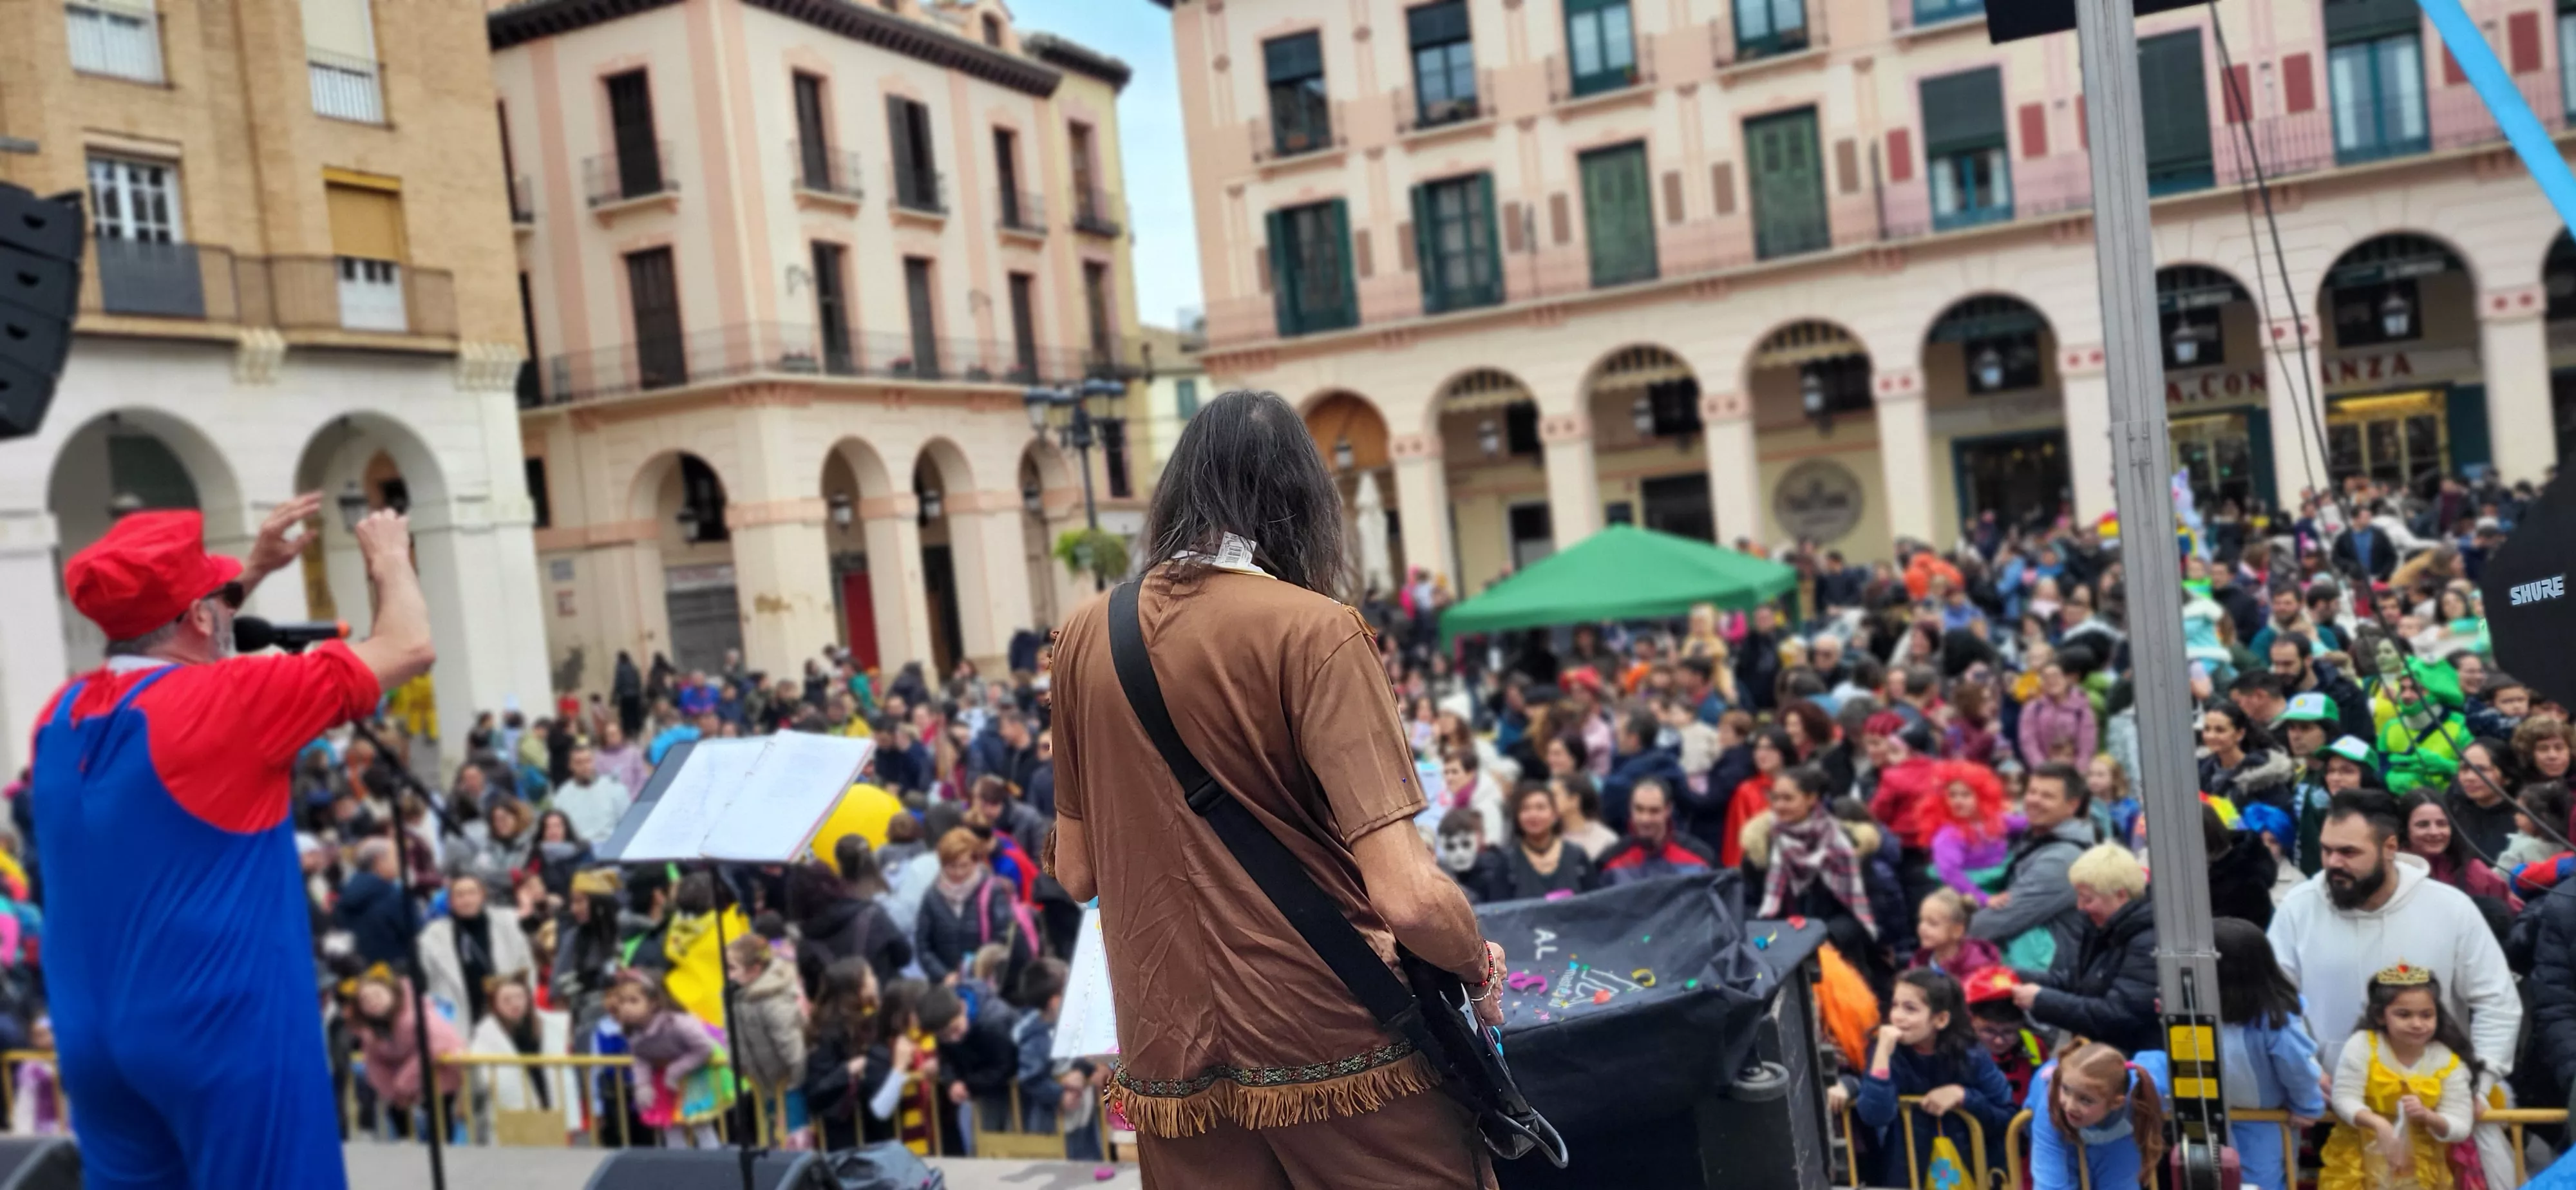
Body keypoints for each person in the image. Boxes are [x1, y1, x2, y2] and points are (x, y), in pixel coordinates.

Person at [1045, 390, 1504, 1184]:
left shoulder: (1084, 634)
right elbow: (1410, 897)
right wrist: (1476, 964)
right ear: (1301, 505)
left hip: (1168, 1050)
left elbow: (1075, 873)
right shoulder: (1316, 628)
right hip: (1332, 1039)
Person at [32, 498, 436, 1190]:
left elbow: (160, 642)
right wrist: (391, 557)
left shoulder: (62, 714)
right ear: (200, 616)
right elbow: (408, 648)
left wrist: (243, 577)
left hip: (95, 1043)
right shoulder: (234, 699)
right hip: (221, 1038)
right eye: (216, 598)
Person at [2268, 790, 2522, 1185]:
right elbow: (2277, 999)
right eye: (2327, 850)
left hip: (2437, 1116)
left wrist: (2480, 1081)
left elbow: (2497, 1002)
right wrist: (2304, 1069)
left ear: (2390, 848)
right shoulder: (2298, 906)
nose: (2334, 863)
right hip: (2335, 1111)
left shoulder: (2451, 908)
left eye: (2349, 852)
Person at [1849, 970, 2018, 1190]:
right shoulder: (1887, 1051)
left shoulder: (1972, 1055)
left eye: (1910, 1009)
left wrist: (1965, 1097)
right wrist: (1881, 1053)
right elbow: (1874, 1114)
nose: (1898, 1016)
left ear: (1941, 1019)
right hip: (1907, 1176)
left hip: (1972, 1174)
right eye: (1895, 1005)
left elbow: (2008, 1116)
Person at [2320, 964, 2480, 1190]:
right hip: (2359, 1156)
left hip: (2420, 1163)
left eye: (2427, 1015)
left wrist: (2428, 1116)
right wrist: (2379, 1125)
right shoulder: (2363, 1045)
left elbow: (2460, 1124)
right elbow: (2344, 1097)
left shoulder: (2447, 1062)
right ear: (2380, 1016)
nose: (2417, 1024)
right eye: (2404, 1015)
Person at [2215, 918, 2327, 1190]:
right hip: (2214, 1117)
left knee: (2259, 1182)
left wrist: (2306, 1106)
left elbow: (2297, 1066)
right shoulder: (2202, 1007)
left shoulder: (2276, 1018)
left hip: (2265, 1120)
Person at [1743, 765, 1883, 976]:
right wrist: (1777, 933)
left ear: (1811, 799)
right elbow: (1748, 902)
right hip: (1774, 957)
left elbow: (1867, 907)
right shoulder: (1761, 847)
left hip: (1836, 960)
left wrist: (1825, 936)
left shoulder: (1846, 846)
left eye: (1788, 799)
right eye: (1776, 798)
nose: (1779, 805)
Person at [1968, 763, 2094, 973]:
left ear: (2072, 805)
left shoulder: (2064, 859)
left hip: (2043, 976)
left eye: (2047, 796)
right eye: (2032, 792)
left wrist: (1951, 931)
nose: (2034, 800)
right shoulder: (2030, 836)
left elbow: (2002, 917)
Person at [608, 970, 732, 1148]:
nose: (626, 1007)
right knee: (669, 1123)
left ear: (654, 1002)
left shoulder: (678, 1022)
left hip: (696, 1069)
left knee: (699, 1122)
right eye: (622, 1002)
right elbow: (641, 1058)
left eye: (633, 1001)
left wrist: (676, 1070)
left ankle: (713, 1161)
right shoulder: (633, 1031)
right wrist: (643, 1085)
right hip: (665, 1075)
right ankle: (678, 1164)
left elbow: (705, 1048)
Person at [2027, 1041, 2173, 1190]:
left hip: (2117, 1131)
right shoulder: (2051, 1103)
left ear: (2117, 1103)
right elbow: (2048, 1183)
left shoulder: (2144, 1094)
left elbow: (2158, 1059)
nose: (2070, 1106)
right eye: (2065, 1090)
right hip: (2059, 1126)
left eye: (2085, 1100)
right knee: (2067, 1175)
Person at [802, 956, 906, 1151]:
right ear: (856, 988)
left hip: (878, 1131)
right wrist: (847, 1070)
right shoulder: (826, 1032)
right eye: (870, 976)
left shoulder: (875, 1019)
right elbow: (817, 1091)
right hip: (847, 1134)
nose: (875, 980)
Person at [350, 970, 465, 1141]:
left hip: (439, 1084)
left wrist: (404, 1082)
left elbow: (437, 1044)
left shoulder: (416, 1014)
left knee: (440, 1133)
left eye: (377, 994)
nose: (373, 1002)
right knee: (400, 1122)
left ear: (392, 993)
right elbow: (374, 1065)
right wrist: (393, 1093)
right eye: (365, 1000)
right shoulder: (371, 1032)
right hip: (404, 1095)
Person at [914, 827, 1035, 988]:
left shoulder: (993, 891)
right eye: (952, 866)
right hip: (945, 986)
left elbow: (1002, 939)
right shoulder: (932, 896)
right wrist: (944, 975)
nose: (958, 872)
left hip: (984, 984)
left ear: (976, 861)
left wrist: (978, 972)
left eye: (964, 865)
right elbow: (923, 946)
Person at [419, 873, 537, 1028]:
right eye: (460, 895)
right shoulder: (433, 936)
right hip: (457, 1018)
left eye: (472, 893)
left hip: (505, 1014)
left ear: (482, 896)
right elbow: (426, 981)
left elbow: (526, 967)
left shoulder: (508, 923)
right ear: (451, 902)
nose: (467, 900)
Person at [466, 974, 577, 1129]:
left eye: (520, 997)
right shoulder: (485, 1037)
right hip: (509, 1119)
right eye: (506, 1000)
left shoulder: (546, 1026)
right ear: (495, 1004)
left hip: (548, 1107)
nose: (515, 1004)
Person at [789, 861, 911, 989]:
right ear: (834, 883)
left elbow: (814, 994)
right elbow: (904, 956)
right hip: (892, 998)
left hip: (847, 1008)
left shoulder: (806, 948)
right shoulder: (872, 914)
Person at [725, 934, 810, 1112]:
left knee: (792, 1135)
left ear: (755, 970)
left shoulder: (774, 1001)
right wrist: (736, 1063)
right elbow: (733, 1035)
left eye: (732, 968)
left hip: (787, 1086)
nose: (728, 975)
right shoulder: (736, 996)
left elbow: (793, 1049)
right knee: (773, 1133)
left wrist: (794, 1084)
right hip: (764, 1084)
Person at [1915, 762, 2012, 903]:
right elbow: (1950, 873)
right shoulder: (1948, 835)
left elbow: (2023, 823)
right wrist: (1985, 899)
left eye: (1966, 795)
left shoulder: (1992, 821)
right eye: (1952, 795)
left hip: (2001, 887)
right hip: (1969, 897)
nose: (1957, 801)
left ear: (1982, 797)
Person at [2403, 796, 2519, 912]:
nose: (2434, 832)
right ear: (2404, 829)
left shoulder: (2475, 872)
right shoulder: (2395, 871)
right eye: (2423, 825)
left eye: (2442, 824)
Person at [1598, 778, 1717, 885]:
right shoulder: (1610, 861)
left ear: (1668, 810)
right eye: (1639, 809)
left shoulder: (1701, 859)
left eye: (1654, 811)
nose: (1645, 819)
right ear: (1630, 808)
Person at [1499, 784, 1598, 900]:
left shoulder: (1577, 856)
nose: (1533, 815)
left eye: (1541, 808)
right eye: (1525, 809)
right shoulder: (1506, 861)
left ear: (1555, 814)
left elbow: (1595, 904)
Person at [1911, 887, 2000, 985]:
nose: (1923, 927)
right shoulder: (1921, 960)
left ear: (1957, 930)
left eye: (1932, 923)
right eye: (1921, 920)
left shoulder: (1976, 968)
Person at [552, 744, 632, 847]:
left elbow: (627, 825)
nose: (585, 767)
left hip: (611, 849)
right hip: (580, 853)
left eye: (588, 761)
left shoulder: (615, 788)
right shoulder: (561, 797)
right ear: (570, 766)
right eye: (579, 763)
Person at [1552, 772, 1620, 861]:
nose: (1548, 801)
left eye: (1554, 795)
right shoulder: (1547, 835)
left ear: (1574, 800)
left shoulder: (1605, 839)